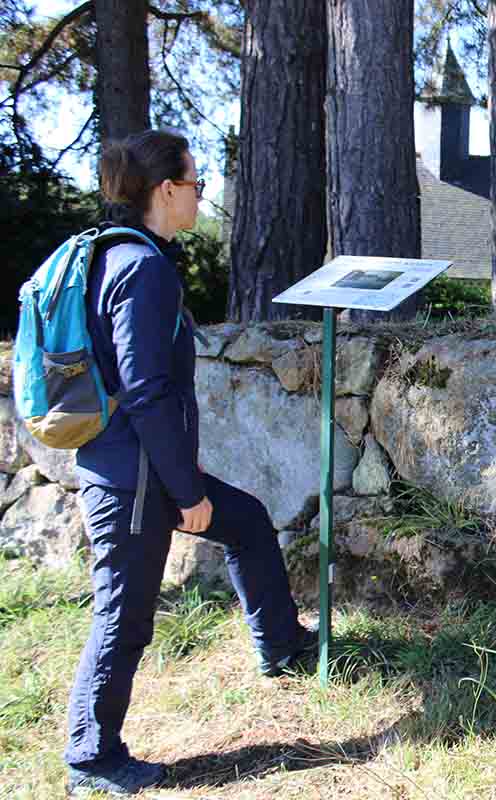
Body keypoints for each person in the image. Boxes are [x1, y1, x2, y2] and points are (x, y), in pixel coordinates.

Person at [62, 129, 315, 797]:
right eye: (197, 184)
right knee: (123, 615)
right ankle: (92, 758)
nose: (202, 195)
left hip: (139, 466)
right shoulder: (140, 268)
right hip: (135, 477)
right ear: (167, 190)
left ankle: (281, 645)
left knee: (248, 521)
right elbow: (145, 390)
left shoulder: (121, 255)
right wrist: (186, 492)